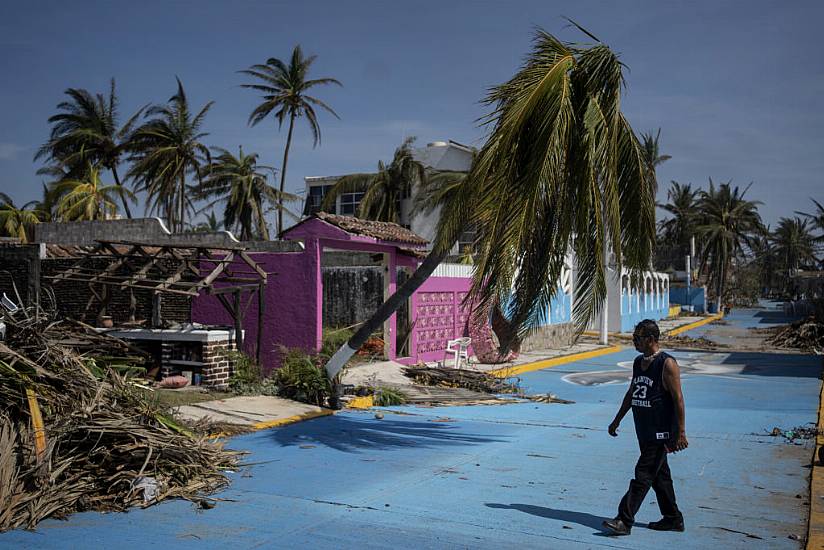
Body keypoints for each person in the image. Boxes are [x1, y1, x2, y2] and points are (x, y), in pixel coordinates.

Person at [602, 319, 688, 536]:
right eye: (633, 338)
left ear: (651, 339)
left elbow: (678, 399)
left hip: (661, 433)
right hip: (644, 430)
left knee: (643, 475)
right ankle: (673, 519)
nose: (634, 342)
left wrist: (680, 433)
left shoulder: (667, 364)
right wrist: (617, 419)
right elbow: (632, 393)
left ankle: (624, 520)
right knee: (660, 477)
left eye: (637, 338)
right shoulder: (638, 362)